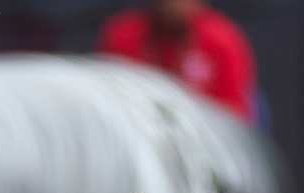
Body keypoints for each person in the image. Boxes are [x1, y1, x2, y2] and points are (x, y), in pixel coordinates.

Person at [98, 0, 258, 125]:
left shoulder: (222, 40)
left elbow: (235, 116)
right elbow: (106, 107)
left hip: (203, 144)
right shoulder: (123, 35)